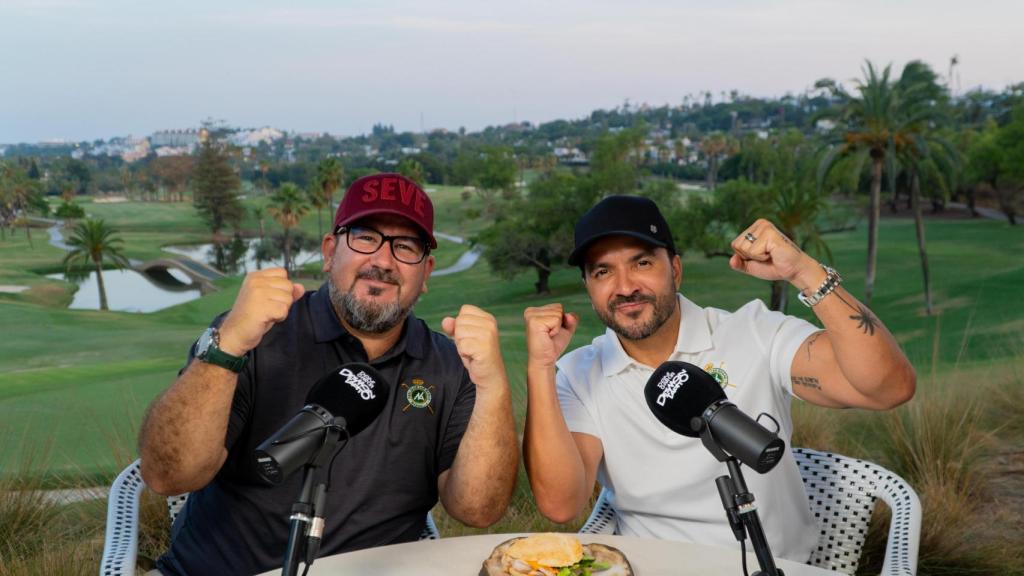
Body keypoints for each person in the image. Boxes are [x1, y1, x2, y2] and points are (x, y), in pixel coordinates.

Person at [139, 173, 518, 576]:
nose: (383, 261)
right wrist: (229, 344)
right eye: (365, 237)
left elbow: (478, 511)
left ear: (425, 273)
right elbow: (167, 476)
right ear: (329, 251)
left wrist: (493, 385)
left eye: (405, 247)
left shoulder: (448, 365)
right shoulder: (257, 335)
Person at [522, 195, 915, 561]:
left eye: (642, 263)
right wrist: (540, 367)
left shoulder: (755, 333)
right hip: (653, 568)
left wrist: (804, 273)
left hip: (772, 566)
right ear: (589, 287)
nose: (625, 287)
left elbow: (889, 387)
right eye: (603, 271)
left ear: (674, 268)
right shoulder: (578, 373)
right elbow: (562, 505)